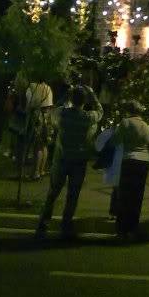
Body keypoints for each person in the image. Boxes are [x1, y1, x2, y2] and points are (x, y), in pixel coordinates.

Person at [35, 84, 103, 239]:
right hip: (79, 161)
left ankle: (44, 221)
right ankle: (66, 223)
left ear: (72, 99)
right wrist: (92, 94)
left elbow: (54, 108)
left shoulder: (63, 114)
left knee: (53, 192)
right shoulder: (87, 118)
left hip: (62, 158)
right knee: (73, 194)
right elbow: (100, 111)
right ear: (84, 101)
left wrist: (67, 94)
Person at [113, 100, 149, 239]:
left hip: (128, 159)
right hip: (143, 161)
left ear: (128, 110)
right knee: (137, 195)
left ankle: (122, 228)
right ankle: (133, 227)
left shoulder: (125, 123)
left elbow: (116, 140)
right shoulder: (146, 126)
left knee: (124, 195)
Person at [94, 122, 124, 220]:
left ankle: (114, 212)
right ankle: (117, 212)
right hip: (123, 164)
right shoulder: (127, 132)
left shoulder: (108, 133)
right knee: (120, 190)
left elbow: (98, 147)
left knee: (116, 190)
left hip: (113, 165)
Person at [26, 79, 54, 180]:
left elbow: (30, 103)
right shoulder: (48, 87)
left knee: (37, 147)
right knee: (44, 145)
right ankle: (41, 170)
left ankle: (36, 172)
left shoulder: (33, 87)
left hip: (38, 116)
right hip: (47, 115)